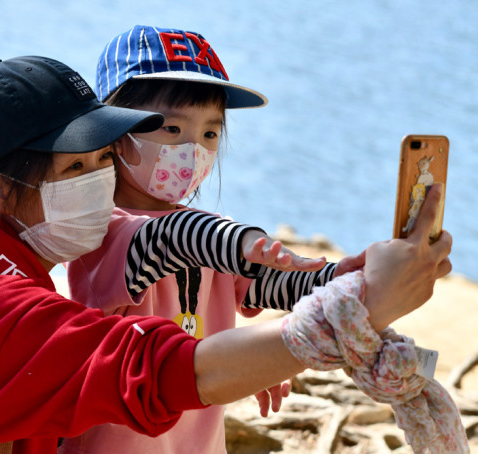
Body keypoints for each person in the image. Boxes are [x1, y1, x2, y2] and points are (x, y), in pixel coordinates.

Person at [0, 55, 455, 454]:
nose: (99, 181)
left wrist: (336, 283)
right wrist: (346, 309)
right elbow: (161, 367)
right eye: (75, 167)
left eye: (100, 159)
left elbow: (237, 286)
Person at [60, 25, 362, 454]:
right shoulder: (101, 231)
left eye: (209, 134)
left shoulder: (212, 236)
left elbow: (274, 283)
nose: (193, 150)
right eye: (171, 130)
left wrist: (342, 278)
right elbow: (170, 241)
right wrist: (246, 242)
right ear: (114, 131)